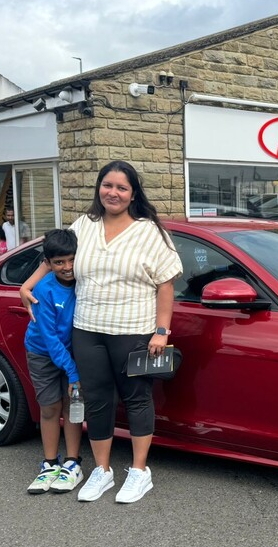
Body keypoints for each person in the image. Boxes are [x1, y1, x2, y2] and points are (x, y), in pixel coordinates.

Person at [20, 160, 182, 504]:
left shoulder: (150, 231)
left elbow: (165, 284)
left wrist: (161, 331)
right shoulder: (85, 224)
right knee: (96, 400)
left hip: (133, 330)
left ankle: (139, 471)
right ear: (99, 188)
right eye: (108, 185)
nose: (114, 193)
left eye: (122, 188)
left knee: (136, 399)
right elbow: (54, 255)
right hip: (88, 329)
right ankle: (103, 470)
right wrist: (29, 284)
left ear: (133, 193)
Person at [24, 229, 85, 494]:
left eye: (71, 260)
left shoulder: (84, 282)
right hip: (43, 354)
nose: (67, 267)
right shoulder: (44, 289)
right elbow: (49, 339)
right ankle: (50, 464)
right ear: (48, 264)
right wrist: (72, 373)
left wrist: (74, 368)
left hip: (73, 353)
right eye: (59, 262)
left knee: (73, 407)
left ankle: (72, 463)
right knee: (49, 408)